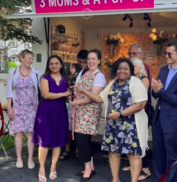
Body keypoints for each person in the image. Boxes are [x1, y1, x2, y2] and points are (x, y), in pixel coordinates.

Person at [74, 58, 148, 182]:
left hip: (131, 125)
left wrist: (120, 114)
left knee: (133, 155)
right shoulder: (113, 83)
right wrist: (84, 91)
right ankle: (115, 179)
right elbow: (99, 98)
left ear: (130, 70)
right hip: (113, 125)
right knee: (114, 153)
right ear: (115, 70)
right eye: (119, 68)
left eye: (126, 69)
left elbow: (141, 104)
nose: (122, 71)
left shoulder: (135, 82)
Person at [151, 38, 177, 182]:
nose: (166, 56)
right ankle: (159, 179)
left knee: (172, 155)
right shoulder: (163, 70)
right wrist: (155, 90)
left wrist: (160, 91)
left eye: (170, 54)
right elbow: (156, 94)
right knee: (158, 154)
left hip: (173, 121)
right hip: (158, 119)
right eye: (166, 53)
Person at [33, 55, 71, 182]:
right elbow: (46, 95)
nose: (54, 65)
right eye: (51, 64)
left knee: (58, 139)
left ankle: (53, 166)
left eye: (56, 63)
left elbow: (68, 97)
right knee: (44, 141)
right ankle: (42, 168)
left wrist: (70, 97)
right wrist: (64, 94)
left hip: (60, 112)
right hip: (46, 111)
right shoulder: (45, 78)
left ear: (61, 65)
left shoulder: (65, 79)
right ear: (48, 66)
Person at [70, 49, 106, 182]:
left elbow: (94, 97)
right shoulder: (84, 73)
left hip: (89, 112)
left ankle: (88, 169)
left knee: (82, 141)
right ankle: (90, 167)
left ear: (98, 61)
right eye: (89, 59)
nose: (91, 61)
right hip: (80, 111)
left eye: (93, 59)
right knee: (84, 141)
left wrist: (77, 102)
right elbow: (77, 89)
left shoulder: (99, 76)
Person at [6, 49, 40, 169]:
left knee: (31, 133)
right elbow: (10, 90)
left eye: (32, 58)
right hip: (18, 106)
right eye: (29, 58)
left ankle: (30, 159)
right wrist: (10, 108)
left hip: (32, 107)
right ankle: (19, 158)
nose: (31, 61)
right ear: (21, 58)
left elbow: (40, 90)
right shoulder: (13, 72)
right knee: (19, 132)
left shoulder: (36, 72)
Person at [60, 49, 88, 160]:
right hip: (70, 100)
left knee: (78, 127)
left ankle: (78, 149)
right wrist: (71, 74)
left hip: (83, 102)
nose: (82, 64)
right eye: (80, 62)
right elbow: (65, 83)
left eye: (84, 62)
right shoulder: (72, 67)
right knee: (68, 126)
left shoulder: (90, 70)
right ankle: (67, 149)